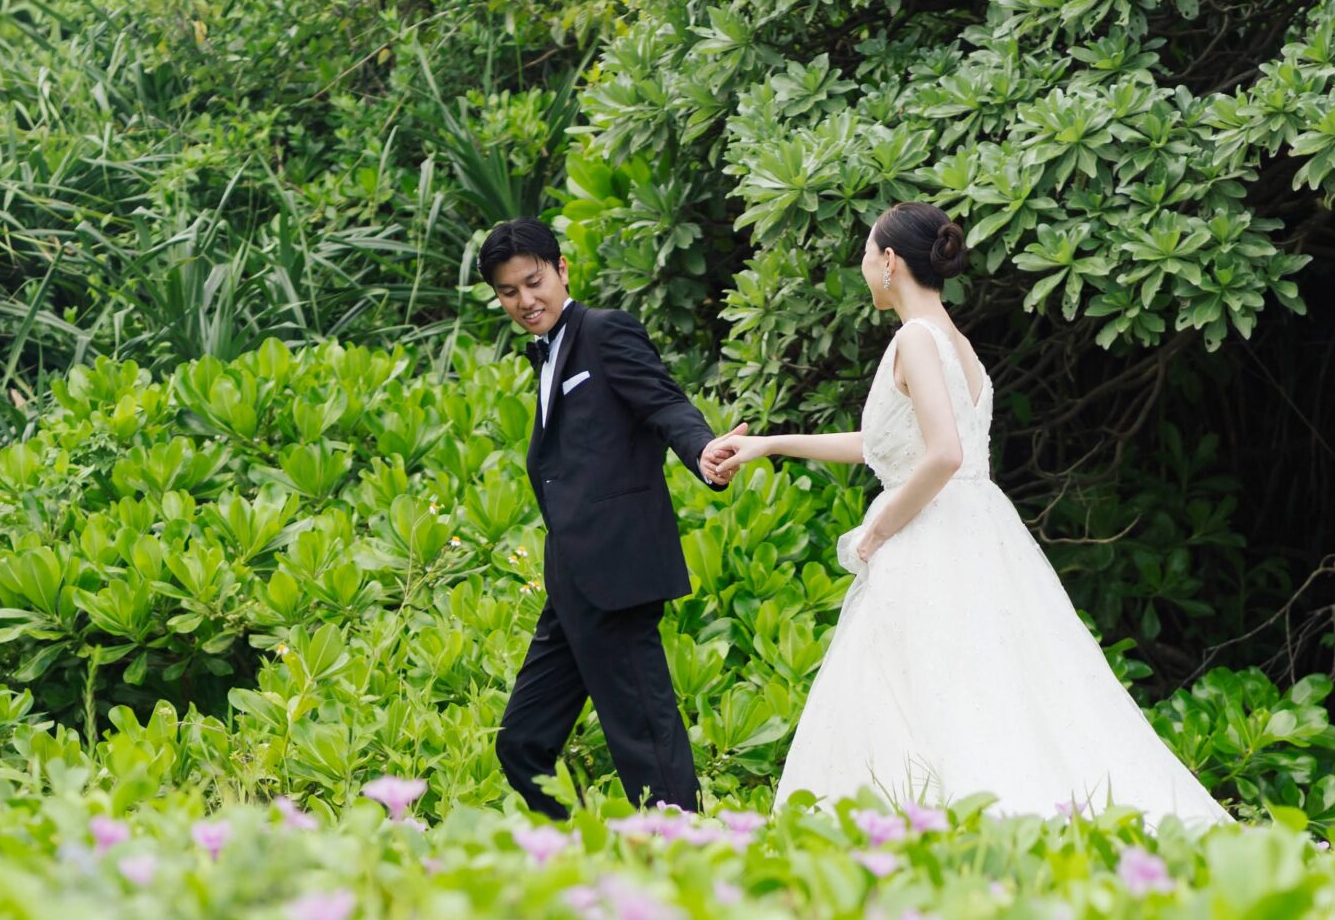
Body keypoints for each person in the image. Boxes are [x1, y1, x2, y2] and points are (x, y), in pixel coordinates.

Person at [703, 203, 1231, 826]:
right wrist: (770, 443)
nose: (864, 267)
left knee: (935, 691)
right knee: (996, 684)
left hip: (931, 533)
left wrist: (877, 528)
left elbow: (943, 455)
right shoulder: (956, 343)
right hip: (978, 530)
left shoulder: (915, 339)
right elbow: (885, 445)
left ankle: (950, 822)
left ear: (891, 262)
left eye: (868, 255)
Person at [482, 218, 738, 819]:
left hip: (620, 570)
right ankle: (576, 850)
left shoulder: (605, 332)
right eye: (508, 292)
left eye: (534, 282)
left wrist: (702, 450)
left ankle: (689, 863)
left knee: (645, 738)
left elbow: (664, 402)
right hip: (571, 576)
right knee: (522, 742)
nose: (525, 301)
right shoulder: (543, 354)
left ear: (562, 269)